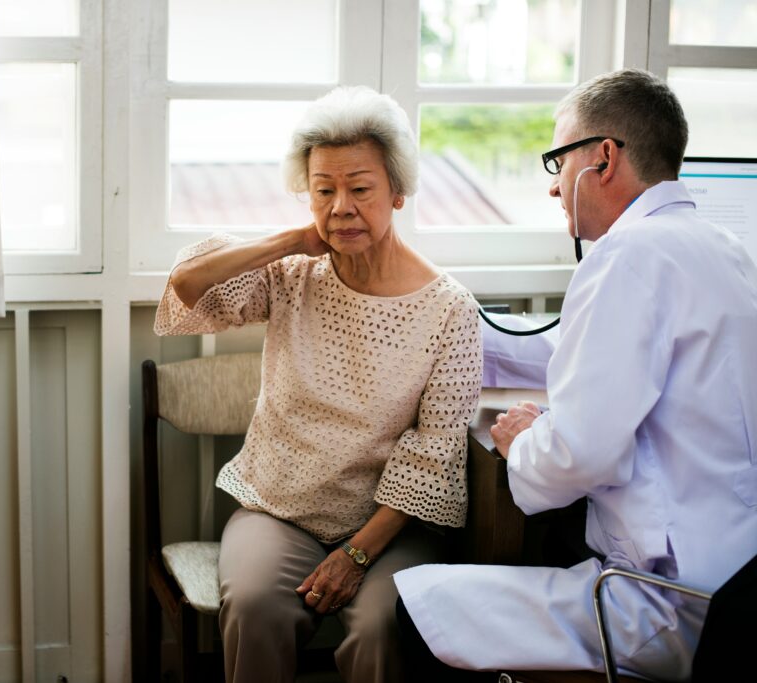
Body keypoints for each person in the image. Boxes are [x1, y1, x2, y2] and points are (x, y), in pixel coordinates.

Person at [395, 68, 757, 681]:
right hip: (734, 582)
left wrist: (522, 444)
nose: (554, 187)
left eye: (557, 161)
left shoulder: (625, 257)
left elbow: (580, 459)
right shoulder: (725, 248)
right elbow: (576, 348)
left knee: (415, 608)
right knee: (562, 538)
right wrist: (447, 326)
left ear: (604, 159)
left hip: (663, 604)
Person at [153, 85, 482, 683]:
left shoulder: (449, 311)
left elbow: (434, 455)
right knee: (254, 607)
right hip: (279, 510)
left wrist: (356, 554)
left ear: (398, 191)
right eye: (323, 190)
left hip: (389, 526)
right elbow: (187, 286)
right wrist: (291, 240)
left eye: (360, 188)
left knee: (382, 627)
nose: (341, 207)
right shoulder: (293, 275)